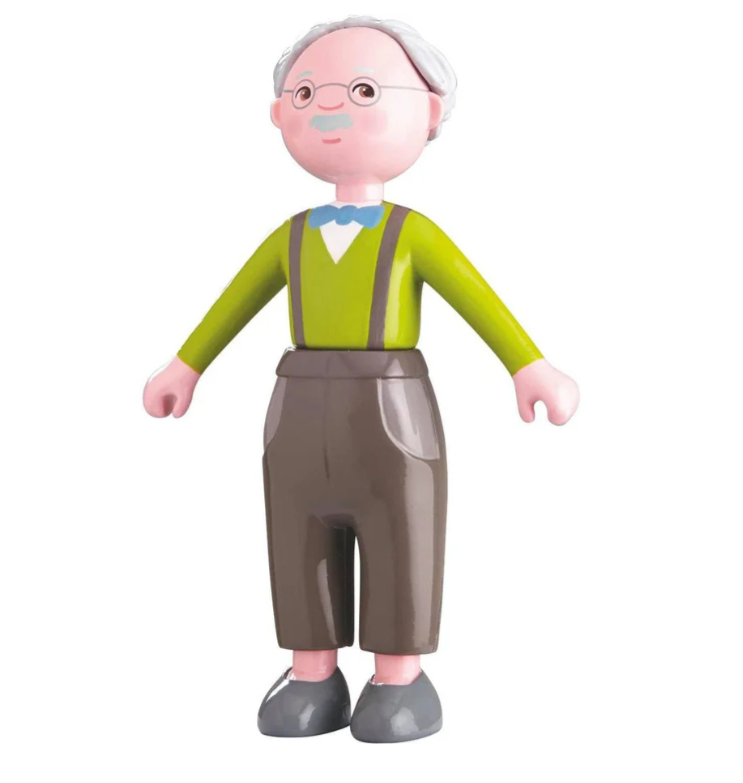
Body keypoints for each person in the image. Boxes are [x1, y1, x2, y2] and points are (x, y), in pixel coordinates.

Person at [143, 16, 579, 743]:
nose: (329, 106)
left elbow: (476, 298)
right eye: (306, 93)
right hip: (296, 402)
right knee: (295, 532)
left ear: (428, 111)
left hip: (390, 402)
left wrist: (527, 364)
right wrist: (184, 366)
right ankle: (310, 671)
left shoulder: (413, 234)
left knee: (402, 530)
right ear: (279, 114)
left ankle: (399, 677)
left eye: (365, 91)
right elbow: (234, 302)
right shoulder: (289, 236)